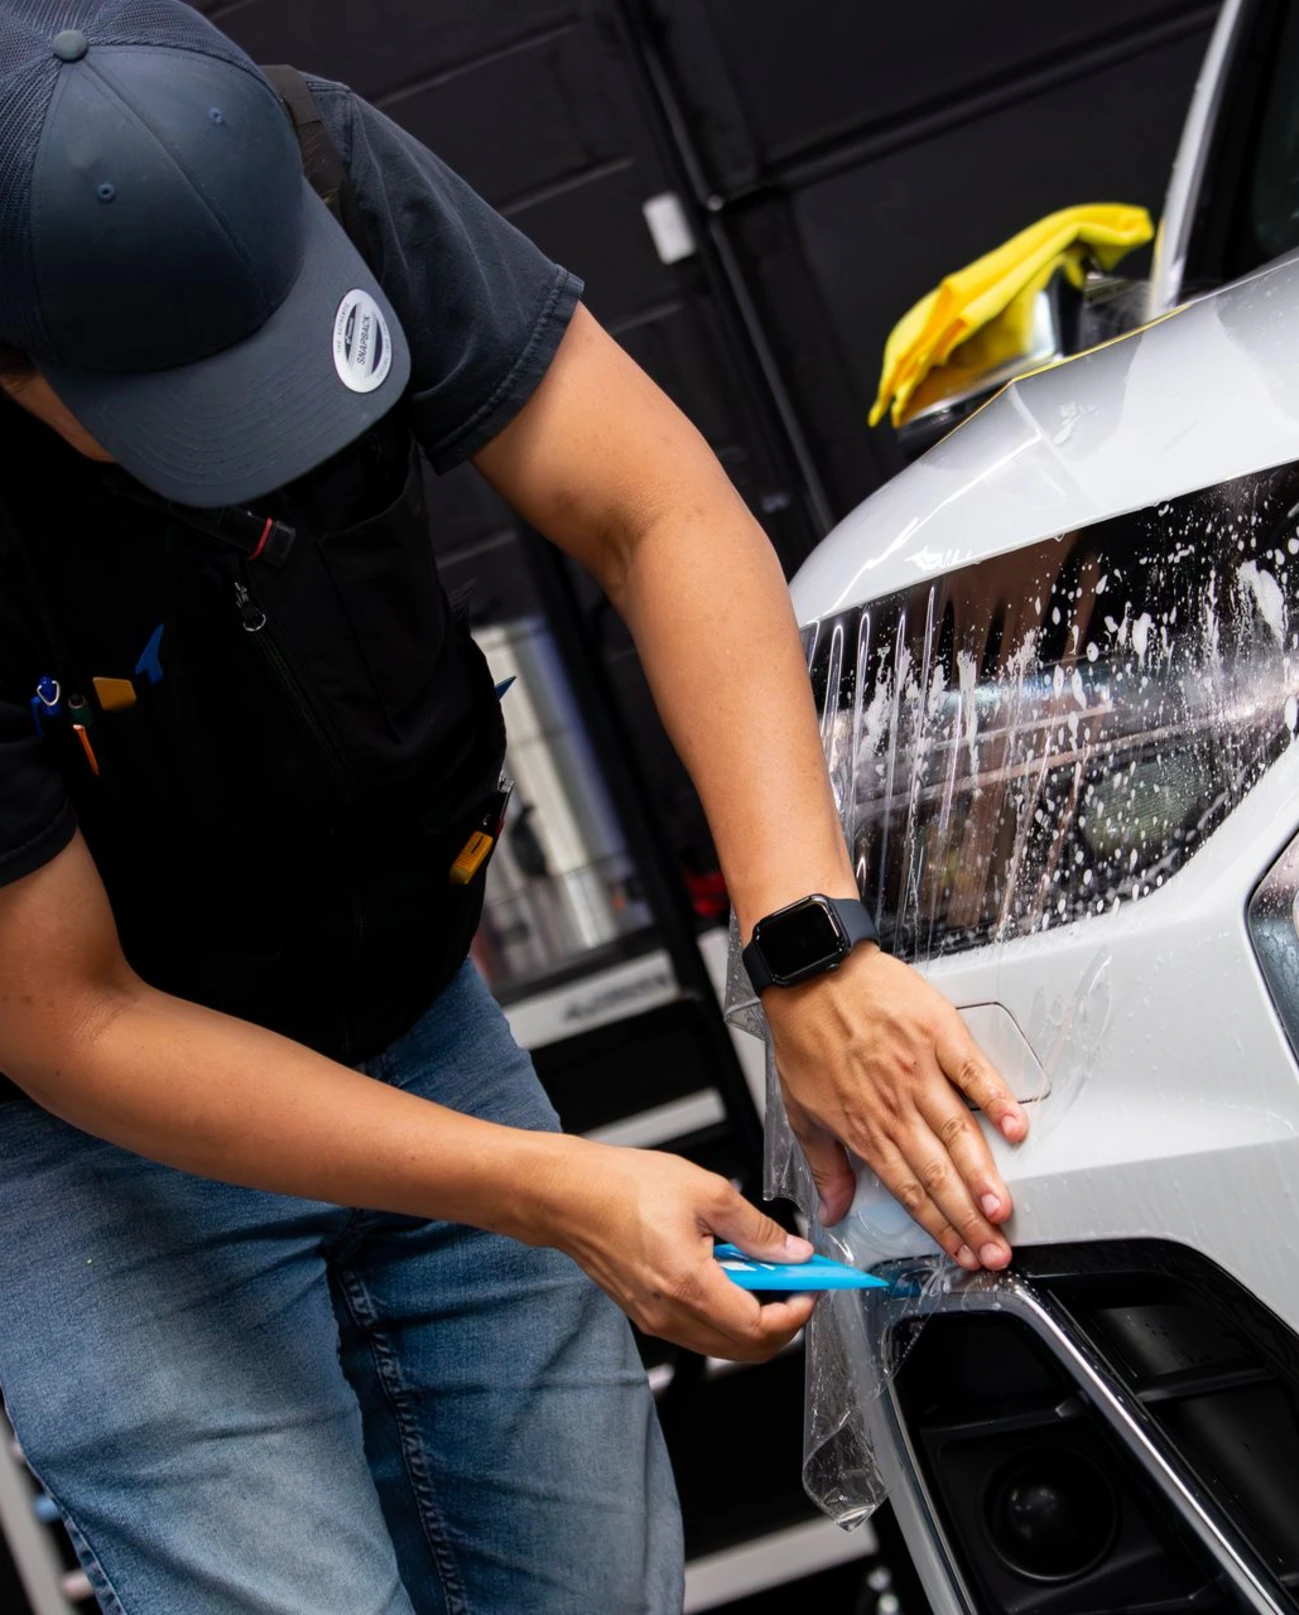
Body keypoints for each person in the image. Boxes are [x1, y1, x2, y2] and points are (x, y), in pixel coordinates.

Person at [0, 3, 1030, 1611]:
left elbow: (658, 509)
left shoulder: (317, 160)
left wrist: (810, 943)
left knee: (591, 1589)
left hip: (406, 1003)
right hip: (87, 1134)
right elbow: (73, 1014)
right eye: (188, 401)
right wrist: (554, 1190)